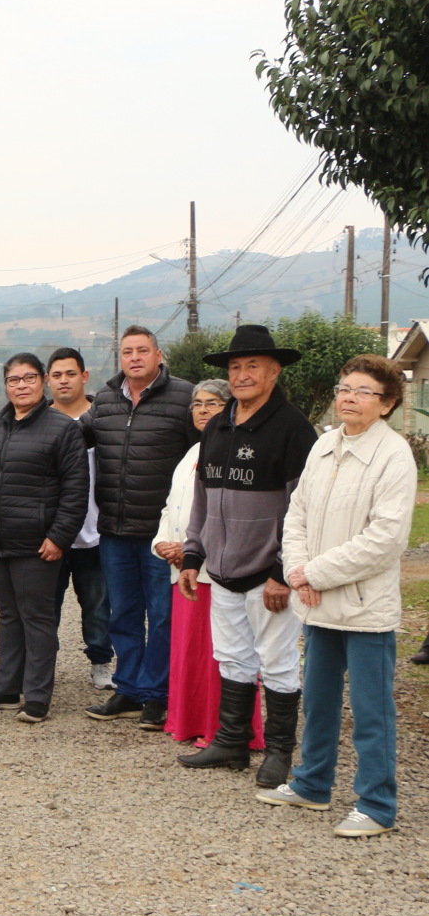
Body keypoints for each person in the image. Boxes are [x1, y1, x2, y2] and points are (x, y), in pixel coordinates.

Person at [260, 356, 413, 836]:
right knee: (319, 701)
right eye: (344, 386)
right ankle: (312, 783)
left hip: (365, 607)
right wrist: (295, 568)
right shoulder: (325, 445)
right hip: (318, 602)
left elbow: (385, 540)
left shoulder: (394, 455)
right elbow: (297, 513)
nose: (349, 396)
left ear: (387, 404)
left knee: (371, 711)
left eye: (364, 391)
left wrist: (312, 572)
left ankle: (377, 804)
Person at [179, 325, 318, 787]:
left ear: (274, 371)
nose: (241, 376)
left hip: (269, 575)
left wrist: (284, 571)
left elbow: (305, 507)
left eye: (252, 366)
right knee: (232, 657)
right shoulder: (217, 426)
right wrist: (194, 556)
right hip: (222, 568)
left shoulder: (293, 429)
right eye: (235, 368)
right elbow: (202, 498)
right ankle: (231, 742)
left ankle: (279, 753)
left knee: (278, 662)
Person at [0, 353, 88, 723]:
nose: (21, 385)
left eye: (29, 378)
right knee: (8, 616)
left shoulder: (63, 429)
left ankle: (36, 695)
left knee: (37, 618)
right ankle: (5, 687)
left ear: (43, 382)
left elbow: (76, 490)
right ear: (6, 385)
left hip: (38, 545)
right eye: (14, 380)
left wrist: (60, 537)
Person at [82, 325, 198, 728]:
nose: (135, 357)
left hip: (161, 534)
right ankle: (128, 688)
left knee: (162, 615)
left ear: (158, 354)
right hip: (114, 528)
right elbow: (79, 440)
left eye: (142, 350)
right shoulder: (106, 400)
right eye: (128, 351)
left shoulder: (184, 397)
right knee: (123, 613)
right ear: (120, 358)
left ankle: (157, 693)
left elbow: (201, 458)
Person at [151, 380, 265, 750]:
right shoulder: (193, 452)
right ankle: (188, 720)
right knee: (189, 652)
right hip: (182, 569)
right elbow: (173, 506)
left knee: (221, 652)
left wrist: (191, 548)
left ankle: (223, 729)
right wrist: (162, 544)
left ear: (231, 407)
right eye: (197, 404)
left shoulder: (239, 450)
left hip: (215, 567)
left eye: (212, 403)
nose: (202, 410)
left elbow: (231, 513)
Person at [45, 348, 115, 693]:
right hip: (52, 534)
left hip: (97, 532)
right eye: (57, 375)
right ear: (48, 381)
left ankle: (101, 662)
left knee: (98, 605)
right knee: (46, 607)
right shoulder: (40, 421)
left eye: (70, 374)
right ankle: (43, 667)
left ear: (84, 377)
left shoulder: (103, 420)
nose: (64, 380)